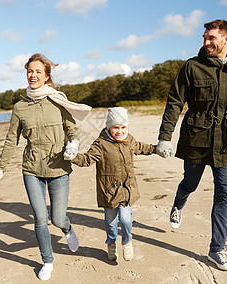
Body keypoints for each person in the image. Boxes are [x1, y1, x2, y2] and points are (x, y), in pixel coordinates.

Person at [156, 19, 227, 271]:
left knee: (223, 194)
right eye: (204, 38)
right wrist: (165, 136)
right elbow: (175, 102)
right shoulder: (192, 67)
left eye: (211, 38)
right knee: (191, 183)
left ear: (226, 39)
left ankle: (216, 249)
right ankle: (179, 201)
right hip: (196, 139)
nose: (206, 42)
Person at [0, 53, 91, 281]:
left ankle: (66, 229)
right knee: (39, 218)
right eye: (30, 71)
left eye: (38, 71)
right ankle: (47, 260)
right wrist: (0, 167)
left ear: (46, 76)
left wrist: (74, 145)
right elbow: (11, 139)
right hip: (31, 168)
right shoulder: (19, 107)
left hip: (59, 168)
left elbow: (72, 129)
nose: (33, 75)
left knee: (57, 218)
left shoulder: (58, 100)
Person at [65, 107, 159, 261]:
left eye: (123, 127)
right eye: (116, 127)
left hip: (127, 189)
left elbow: (142, 148)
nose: (120, 131)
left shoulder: (129, 140)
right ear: (109, 127)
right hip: (108, 192)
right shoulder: (101, 144)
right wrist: (73, 157)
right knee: (110, 223)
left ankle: (127, 241)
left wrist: (156, 149)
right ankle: (111, 243)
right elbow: (87, 159)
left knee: (126, 219)